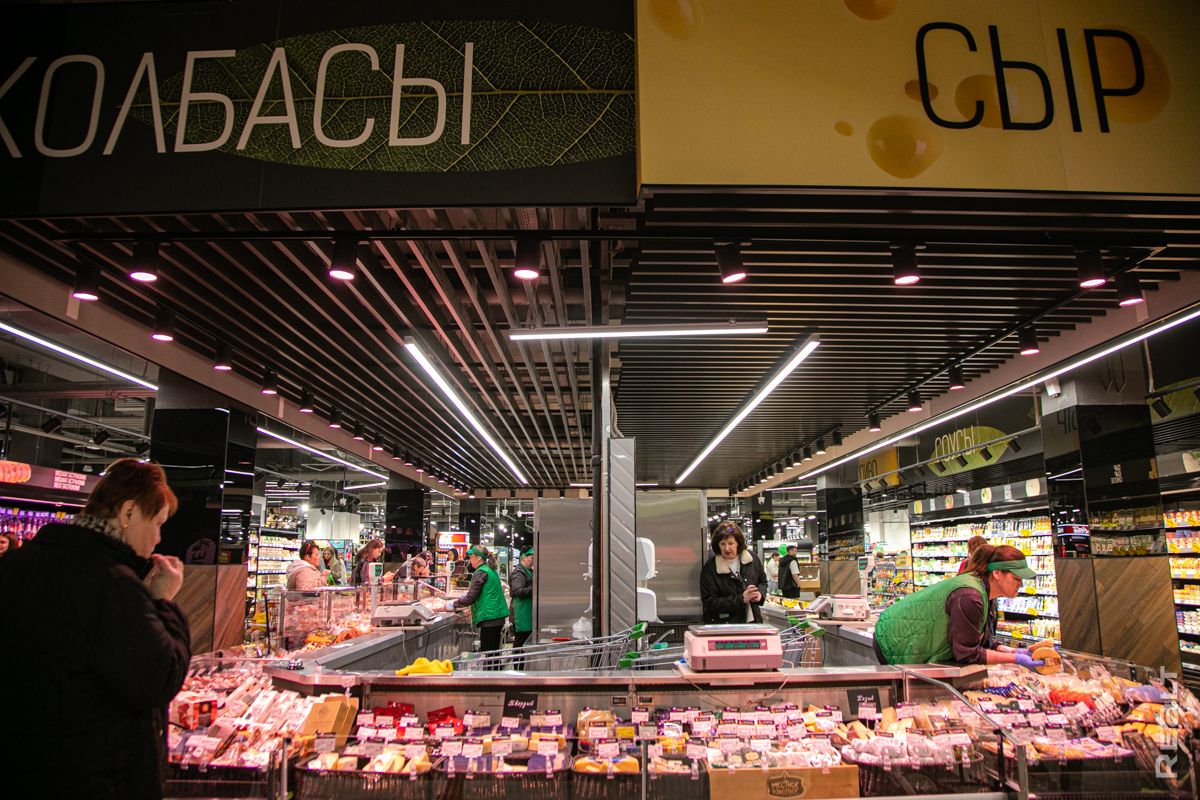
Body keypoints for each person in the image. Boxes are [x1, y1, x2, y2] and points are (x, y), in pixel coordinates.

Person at [0, 458, 190, 799]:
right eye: (157, 523)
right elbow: (158, 679)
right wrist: (163, 602)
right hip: (89, 776)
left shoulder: (15, 563)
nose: (158, 538)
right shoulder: (111, 584)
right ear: (128, 512)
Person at [873, 544, 1045, 669]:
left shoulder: (985, 591)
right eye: (1016, 579)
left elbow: (978, 639)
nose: (1021, 585)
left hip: (900, 636)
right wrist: (1016, 660)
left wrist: (1012, 652)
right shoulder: (971, 596)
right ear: (997, 573)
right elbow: (967, 653)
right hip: (894, 642)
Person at [447, 545, 510, 658]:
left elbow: (472, 596)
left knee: (488, 654)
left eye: (471, 557)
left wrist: (455, 604)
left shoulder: (481, 572)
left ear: (478, 558)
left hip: (489, 617)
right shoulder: (490, 570)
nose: (470, 560)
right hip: (496, 616)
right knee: (494, 655)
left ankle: (490, 670)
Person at [700, 521, 768, 624]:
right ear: (717, 545)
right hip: (725, 626)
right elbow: (710, 602)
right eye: (722, 544)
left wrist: (759, 594)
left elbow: (762, 581)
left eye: (731, 543)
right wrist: (741, 599)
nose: (727, 548)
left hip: (753, 623)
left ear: (738, 543)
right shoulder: (710, 568)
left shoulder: (752, 559)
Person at [509, 548, 535, 663]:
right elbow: (518, 591)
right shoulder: (519, 573)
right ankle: (517, 668)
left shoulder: (528, 571)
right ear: (523, 557)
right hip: (521, 614)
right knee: (520, 643)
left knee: (523, 642)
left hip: (526, 613)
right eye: (532, 558)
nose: (533, 561)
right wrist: (535, 589)